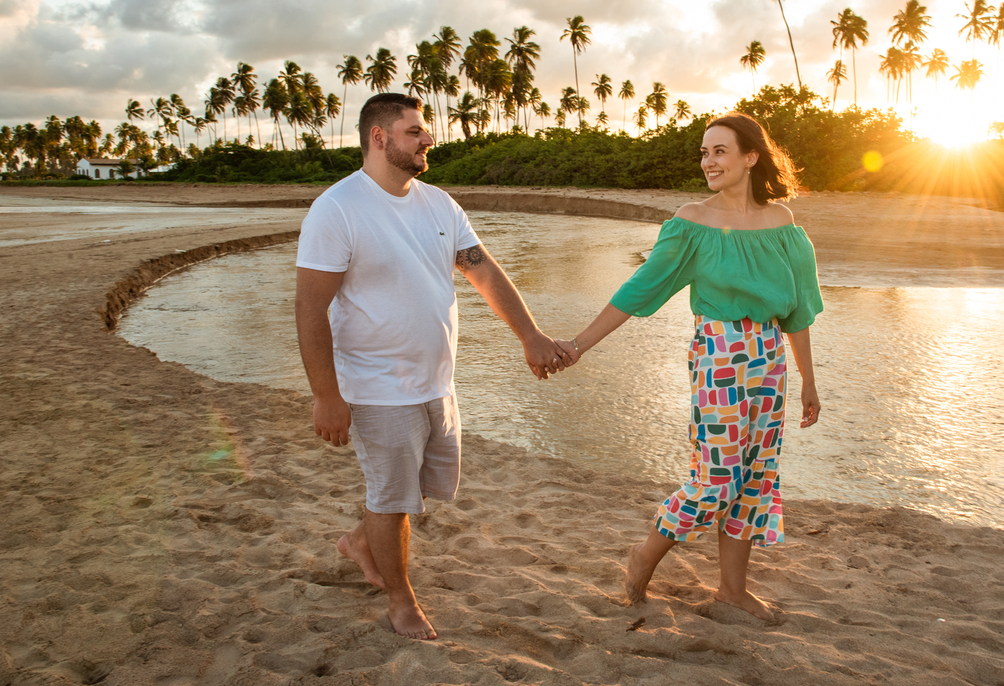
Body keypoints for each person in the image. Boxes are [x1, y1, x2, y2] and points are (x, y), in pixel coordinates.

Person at [294, 92, 571, 641]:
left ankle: (358, 542)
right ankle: (401, 601)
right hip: (376, 387)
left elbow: (483, 272)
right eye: (415, 131)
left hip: (436, 382)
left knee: (414, 490)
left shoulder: (440, 204)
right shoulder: (337, 208)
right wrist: (327, 395)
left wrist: (530, 335)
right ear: (380, 138)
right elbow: (309, 307)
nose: (428, 139)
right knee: (392, 499)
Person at [556, 112, 822, 620]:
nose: (708, 161)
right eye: (704, 152)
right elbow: (640, 289)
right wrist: (579, 344)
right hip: (719, 353)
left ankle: (732, 590)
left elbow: (799, 311)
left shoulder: (782, 223)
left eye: (720, 151)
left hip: (770, 358)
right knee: (718, 477)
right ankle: (645, 554)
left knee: (755, 476)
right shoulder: (693, 221)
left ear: (751, 156)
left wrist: (809, 380)